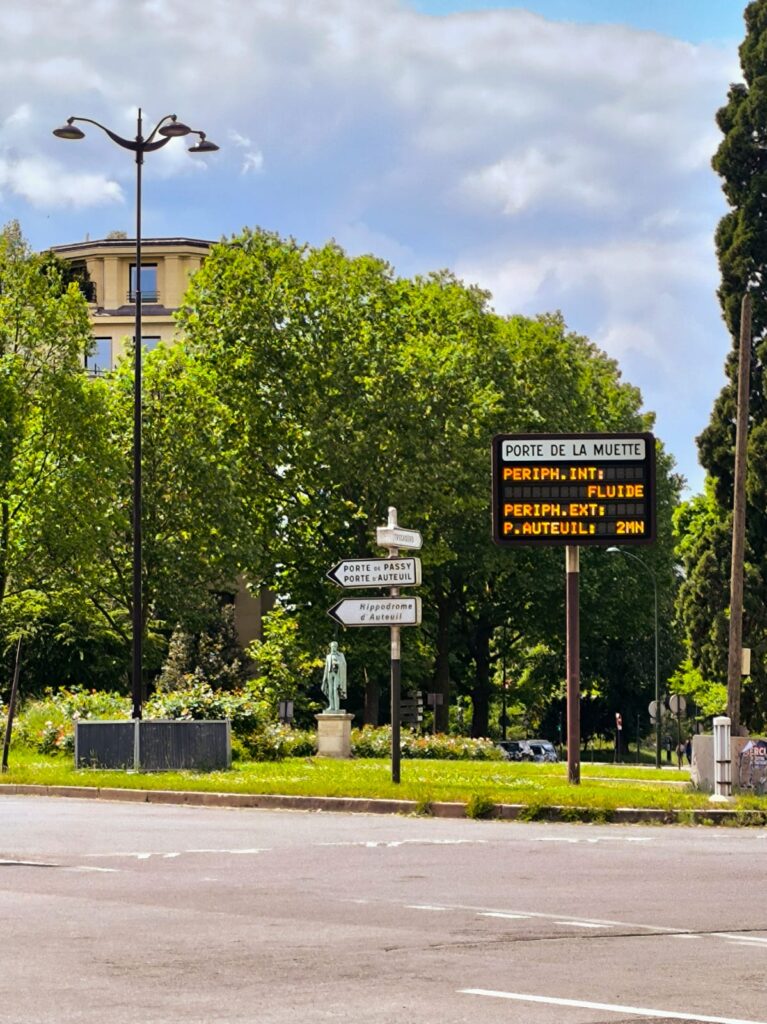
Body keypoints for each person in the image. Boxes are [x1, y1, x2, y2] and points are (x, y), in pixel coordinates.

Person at [321, 641, 347, 713]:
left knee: (335, 689)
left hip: (337, 674)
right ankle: (331, 706)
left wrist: (338, 664)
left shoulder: (340, 655)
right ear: (330, 647)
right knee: (330, 690)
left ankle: (336, 707)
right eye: (332, 647)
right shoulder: (328, 656)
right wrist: (324, 678)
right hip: (330, 673)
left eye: (335, 646)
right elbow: (326, 667)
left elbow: (344, 665)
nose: (333, 648)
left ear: (337, 647)